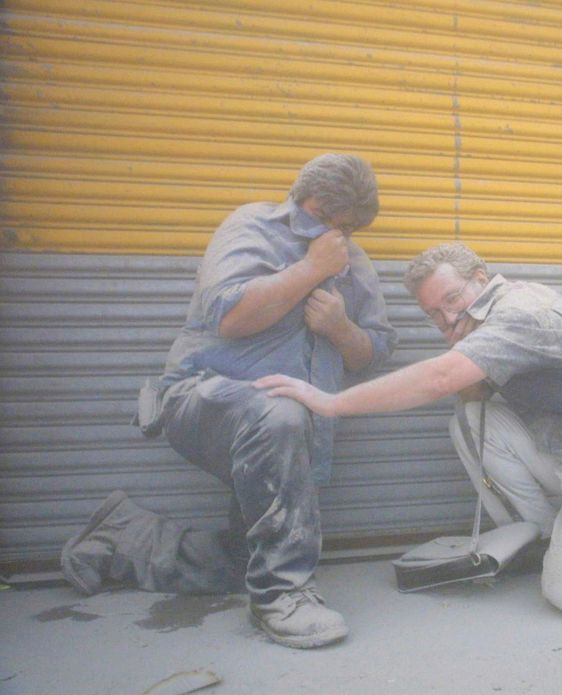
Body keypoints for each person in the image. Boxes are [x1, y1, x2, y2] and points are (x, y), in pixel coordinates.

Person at [255, 242, 562, 616]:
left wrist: (331, 402)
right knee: (473, 421)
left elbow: (438, 379)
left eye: (452, 300)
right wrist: (467, 344)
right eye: (434, 314)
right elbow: (469, 398)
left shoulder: (522, 313)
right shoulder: (486, 322)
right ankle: (549, 537)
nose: (447, 319)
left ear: (481, 280)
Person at [60, 154, 397, 648]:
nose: (334, 234)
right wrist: (310, 269)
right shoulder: (252, 226)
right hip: (203, 400)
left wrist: (341, 329)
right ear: (303, 198)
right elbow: (229, 318)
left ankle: (118, 538)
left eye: (346, 228)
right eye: (325, 219)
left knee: (244, 558)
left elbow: (376, 351)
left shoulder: (353, 262)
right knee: (280, 408)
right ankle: (282, 596)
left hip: (289, 432)